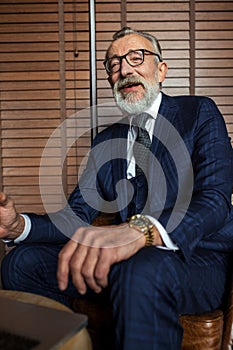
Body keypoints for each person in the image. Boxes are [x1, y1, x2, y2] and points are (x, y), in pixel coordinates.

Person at [1, 27, 233, 350]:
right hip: (121, 265)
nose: (125, 69)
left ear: (161, 69)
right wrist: (18, 225)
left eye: (136, 57)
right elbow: (76, 215)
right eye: (113, 64)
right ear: (111, 80)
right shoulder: (105, 142)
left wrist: (141, 232)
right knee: (20, 263)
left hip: (195, 260)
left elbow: (215, 201)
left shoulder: (199, 114)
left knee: (139, 269)